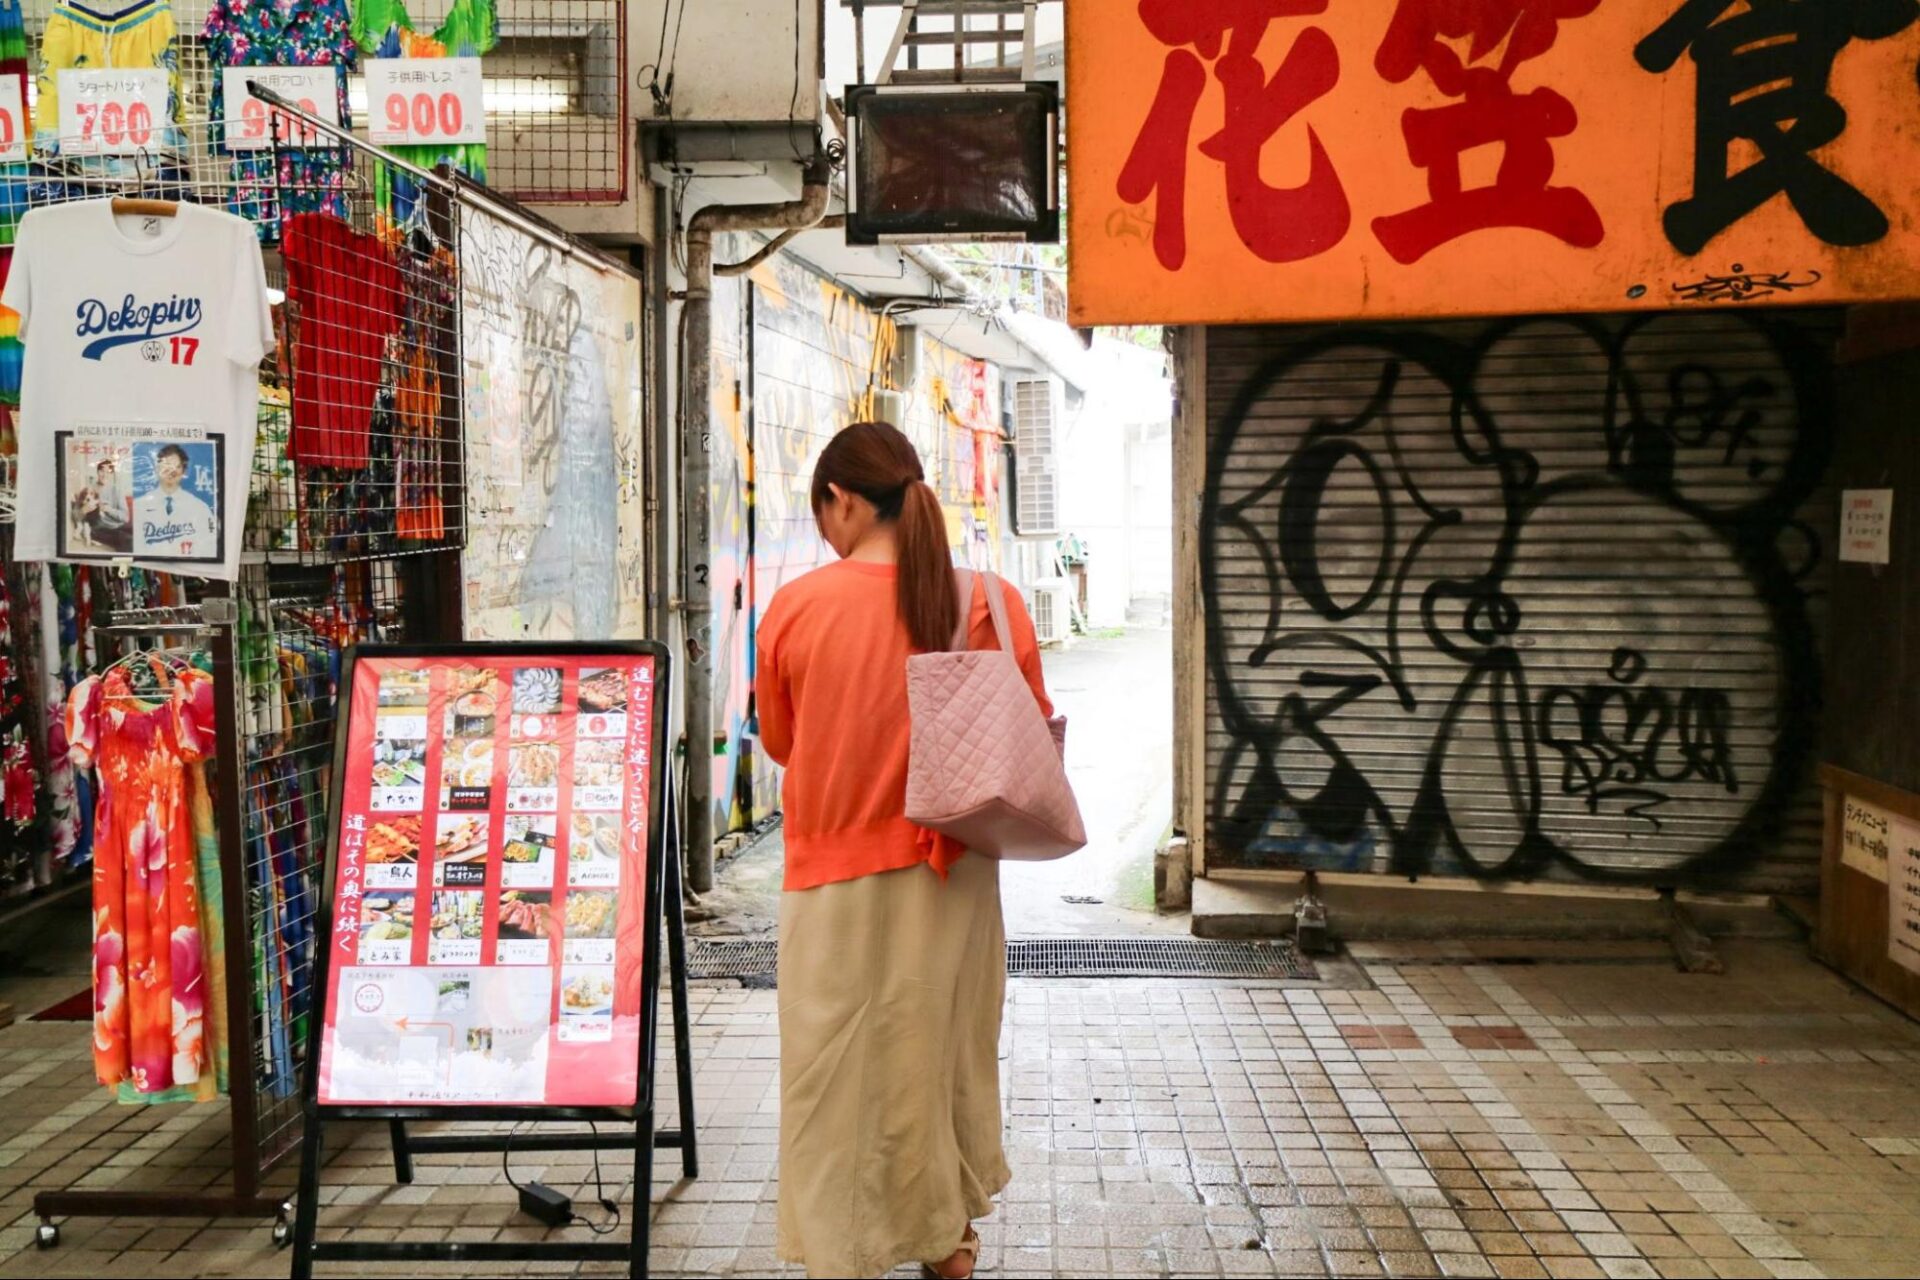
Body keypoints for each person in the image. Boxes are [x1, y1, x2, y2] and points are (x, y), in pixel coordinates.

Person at [754, 421, 1053, 1280]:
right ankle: (947, 1243)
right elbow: (1026, 731)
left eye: (824, 514)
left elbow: (781, 741)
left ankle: (842, 1253)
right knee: (938, 1057)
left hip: (830, 880)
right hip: (954, 873)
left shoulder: (798, 607)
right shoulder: (989, 600)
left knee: (834, 1074)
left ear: (841, 500)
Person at [131, 443, 218, 560]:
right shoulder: (139, 506)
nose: (171, 471)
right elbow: (135, 549)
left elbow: (209, 547)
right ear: (157, 468)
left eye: (176, 466)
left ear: (183, 471)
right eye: (167, 466)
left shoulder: (200, 507)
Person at [84, 458, 131, 552]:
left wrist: (108, 509)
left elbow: (126, 518)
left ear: (111, 474)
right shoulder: (90, 489)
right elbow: (77, 513)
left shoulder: (117, 490)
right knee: (128, 542)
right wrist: (84, 509)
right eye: (101, 471)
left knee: (137, 537)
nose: (104, 474)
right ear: (97, 471)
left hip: (118, 527)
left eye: (108, 471)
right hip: (100, 529)